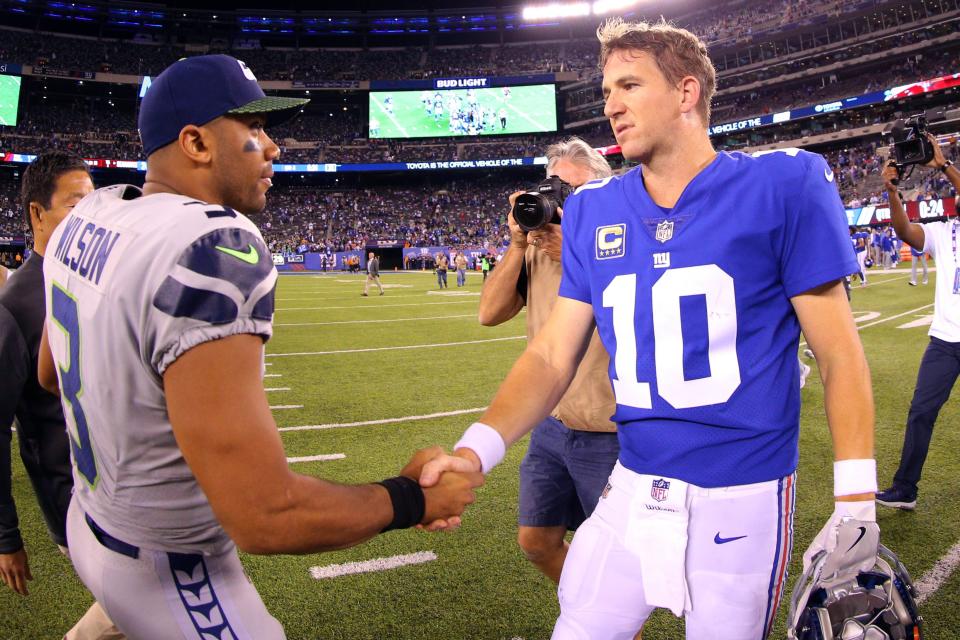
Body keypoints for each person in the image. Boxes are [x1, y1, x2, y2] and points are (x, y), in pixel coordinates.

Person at [420, 19, 877, 639]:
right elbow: (552, 356)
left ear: (686, 93)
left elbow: (838, 355)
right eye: (608, 90)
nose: (611, 106)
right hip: (631, 486)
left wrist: (856, 498)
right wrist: (477, 450)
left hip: (740, 496)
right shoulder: (592, 210)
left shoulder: (783, 185)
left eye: (629, 85)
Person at [37, 54, 481, 639]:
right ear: (196, 141)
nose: (273, 147)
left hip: (89, 523)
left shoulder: (88, 214)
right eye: (254, 129)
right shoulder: (211, 244)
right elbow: (266, 517)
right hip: (171, 569)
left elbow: (50, 373)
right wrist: (412, 500)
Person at [477, 137, 619, 586]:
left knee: (618, 558)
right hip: (553, 424)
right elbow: (489, 313)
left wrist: (578, 253)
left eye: (573, 192)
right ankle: (592, 615)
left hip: (609, 431)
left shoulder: (618, 243)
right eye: (554, 187)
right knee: (536, 539)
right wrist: (518, 245)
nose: (560, 200)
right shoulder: (536, 248)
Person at [0, 152, 123, 639]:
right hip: (76, 502)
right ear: (37, 214)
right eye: (77, 204)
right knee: (143, 608)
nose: (90, 215)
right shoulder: (14, 308)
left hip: (120, 490)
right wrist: (7, 536)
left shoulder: (93, 282)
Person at [877, 136, 960, 510]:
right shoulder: (947, 233)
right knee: (921, 411)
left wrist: (942, 165)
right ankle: (905, 487)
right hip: (945, 340)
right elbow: (905, 232)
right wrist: (893, 192)